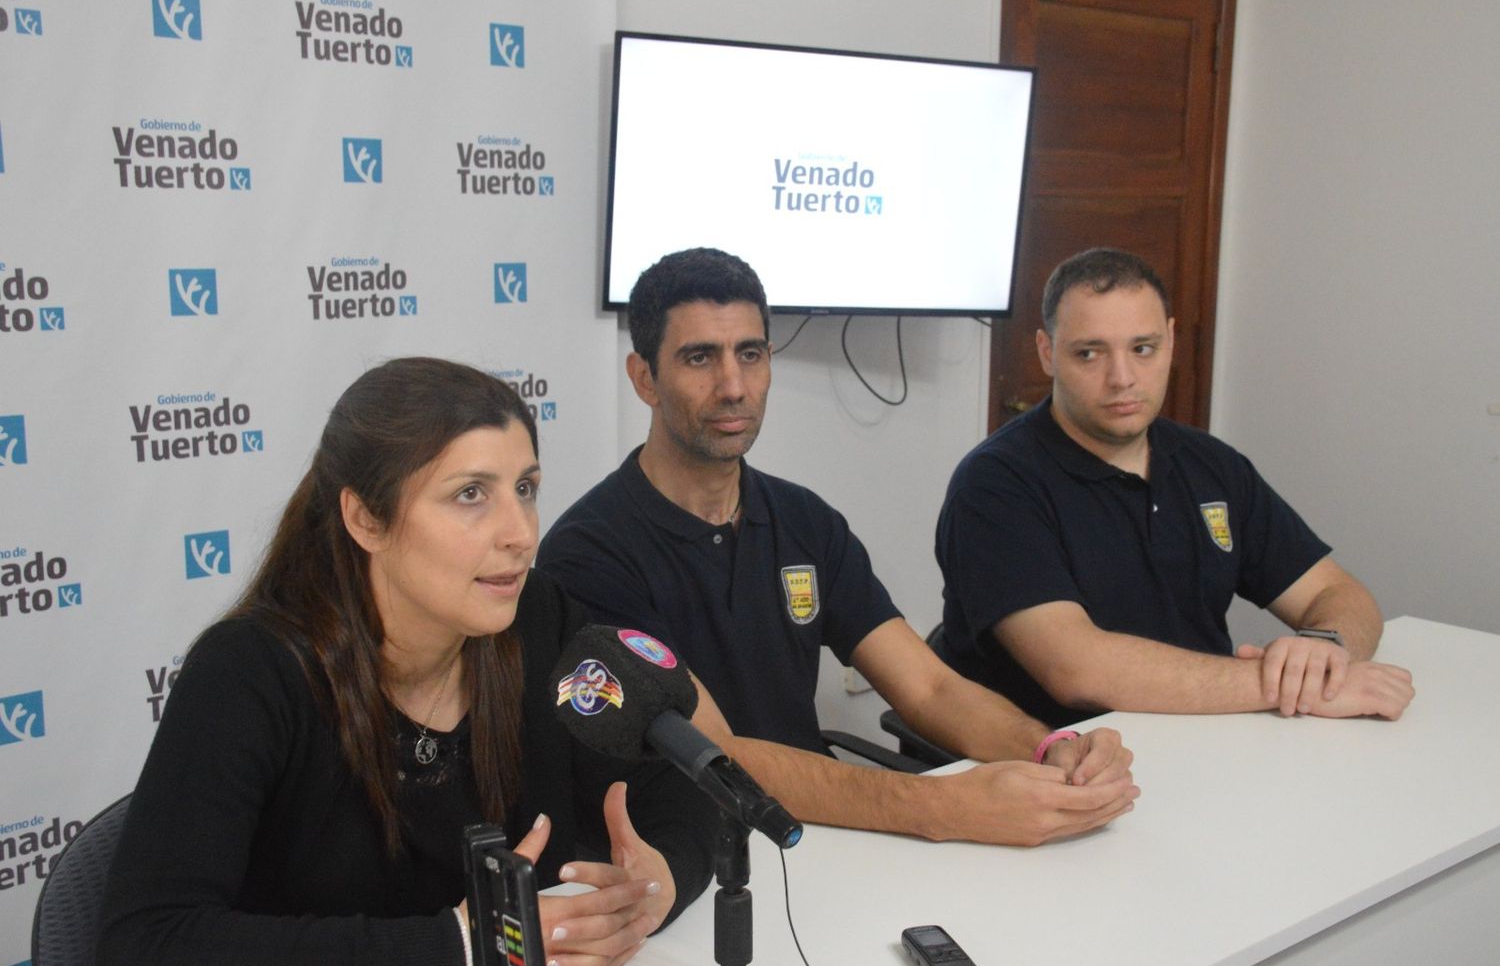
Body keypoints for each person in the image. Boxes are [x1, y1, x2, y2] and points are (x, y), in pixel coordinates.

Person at [99, 358, 714, 966]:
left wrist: (656, 886)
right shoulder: (250, 673)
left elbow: (672, 786)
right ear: (366, 518)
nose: (521, 533)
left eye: (524, 488)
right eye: (471, 494)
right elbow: (147, 943)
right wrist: (462, 948)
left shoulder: (537, 620)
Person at [538, 248, 1137, 849]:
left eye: (751, 354)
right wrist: (939, 805)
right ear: (645, 378)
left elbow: (928, 687)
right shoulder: (588, 554)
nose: (733, 386)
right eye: (700, 358)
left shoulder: (806, 521)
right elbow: (717, 754)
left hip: (825, 838)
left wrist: (1049, 748)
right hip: (681, 863)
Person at [935, 247, 1415, 728]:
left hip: (1202, 743)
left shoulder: (1211, 464)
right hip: (1052, 767)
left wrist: (1324, 653)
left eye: (1142, 349)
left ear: (1170, 340)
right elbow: (1078, 669)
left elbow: (1336, 591)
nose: (1122, 378)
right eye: (1089, 353)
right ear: (1047, 353)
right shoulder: (995, 485)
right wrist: (1285, 686)